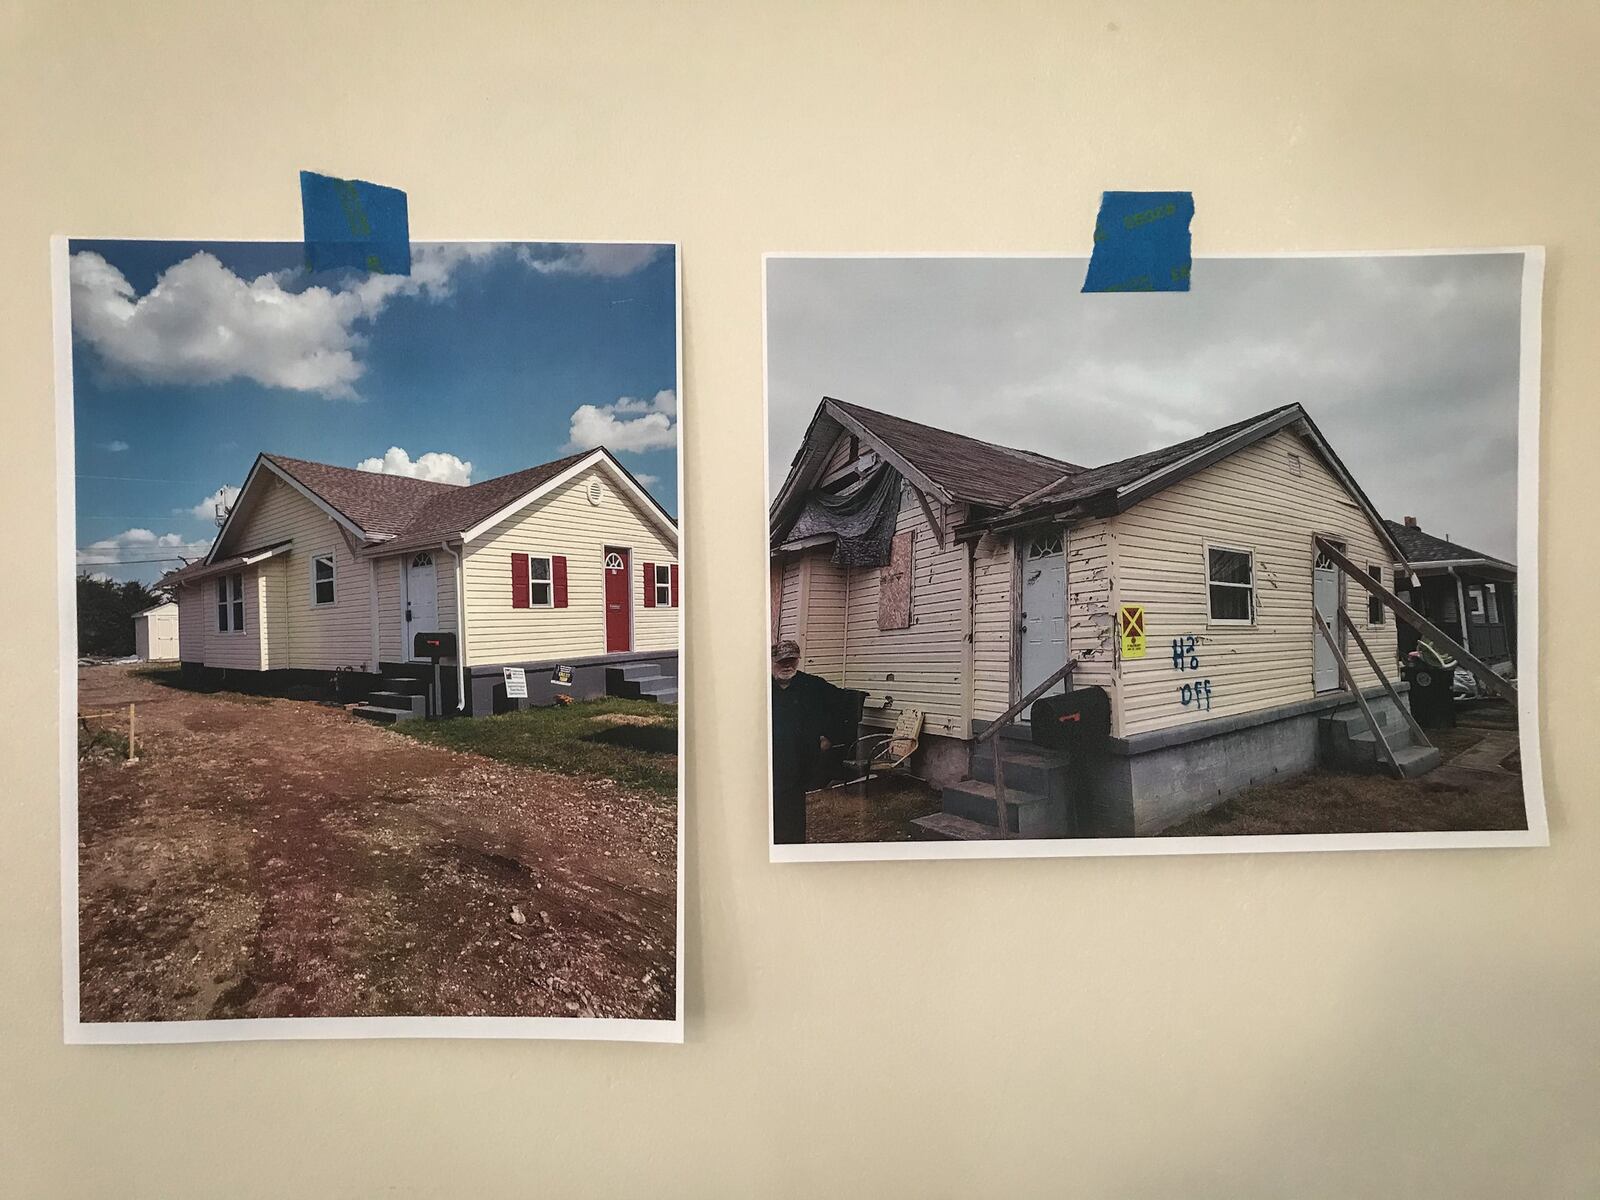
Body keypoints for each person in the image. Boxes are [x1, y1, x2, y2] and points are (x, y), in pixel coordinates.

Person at [770, 639, 850, 845]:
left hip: (798, 763)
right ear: (771, 661)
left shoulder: (813, 686)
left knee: (792, 815)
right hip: (767, 760)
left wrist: (830, 736)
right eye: (781, 661)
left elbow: (847, 705)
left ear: (798, 661)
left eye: (792, 660)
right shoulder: (759, 687)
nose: (787, 666)